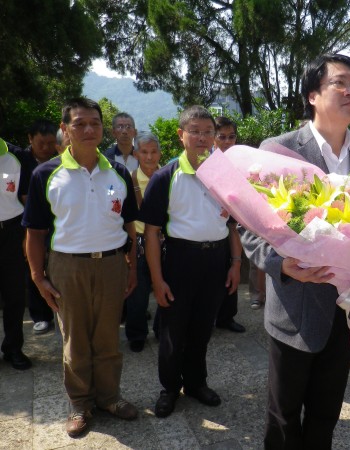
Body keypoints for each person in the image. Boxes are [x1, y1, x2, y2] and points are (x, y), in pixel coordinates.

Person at [240, 53, 350, 449]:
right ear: (312, 94)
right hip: (294, 306)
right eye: (341, 83)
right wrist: (283, 266)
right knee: (283, 415)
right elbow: (250, 228)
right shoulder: (279, 149)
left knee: (326, 414)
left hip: (347, 312)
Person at [23, 98, 139, 437]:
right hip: (67, 266)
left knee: (107, 338)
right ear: (65, 129)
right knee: (74, 340)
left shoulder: (116, 172)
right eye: (79, 124)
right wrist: (37, 276)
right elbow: (35, 233)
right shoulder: (47, 174)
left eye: (95, 123)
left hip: (113, 263)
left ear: (102, 129)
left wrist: (132, 267)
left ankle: (109, 397)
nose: (89, 130)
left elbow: (129, 224)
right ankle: (80, 404)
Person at [140, 105, 241, 418]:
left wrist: (235, 263)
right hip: (180, 259)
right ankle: (169, 388)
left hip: (216, 259)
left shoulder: (224, 175)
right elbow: (153, 234)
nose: (202, 137)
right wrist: (157, 280)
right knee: (173, 332)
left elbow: (233, 225)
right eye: (195, 131)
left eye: (207, 132)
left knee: (202, 329)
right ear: (181, 135)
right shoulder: (165, 177)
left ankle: (196, 383)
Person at [123, 131, 162, 352]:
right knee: (137, 290)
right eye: (144, 152)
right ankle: (136, 333)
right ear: (136, 154)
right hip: (137, 241)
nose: (149, 157)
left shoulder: (168, 176)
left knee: (165, 287)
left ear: (160, 152)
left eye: (154, 151)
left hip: (164, 240)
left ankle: (161, 327)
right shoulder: (128, 179)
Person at [19, 119, 58, 335]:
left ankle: (56, 308)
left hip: (55, 223)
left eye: (51, 143)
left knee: (53, 265)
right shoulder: (22, 160)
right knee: (33, 269)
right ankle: (40, 316)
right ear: (30, 139)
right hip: (29, 222)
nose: (46, 148)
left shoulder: (58, 161)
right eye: (41, 143)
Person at [0, 137, 32, 371]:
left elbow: (27, 201)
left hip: (11, 231)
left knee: (14, 294)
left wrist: (27, 236)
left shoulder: (16, 156)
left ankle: (13, 347)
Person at [213, 116, 246, 333]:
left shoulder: (239, 164)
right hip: (207, 225)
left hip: (231, 223)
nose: (227, 142)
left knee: (231, 269)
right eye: (222, 137)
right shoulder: (204, 162)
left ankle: (226, 317)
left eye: (231, 137)